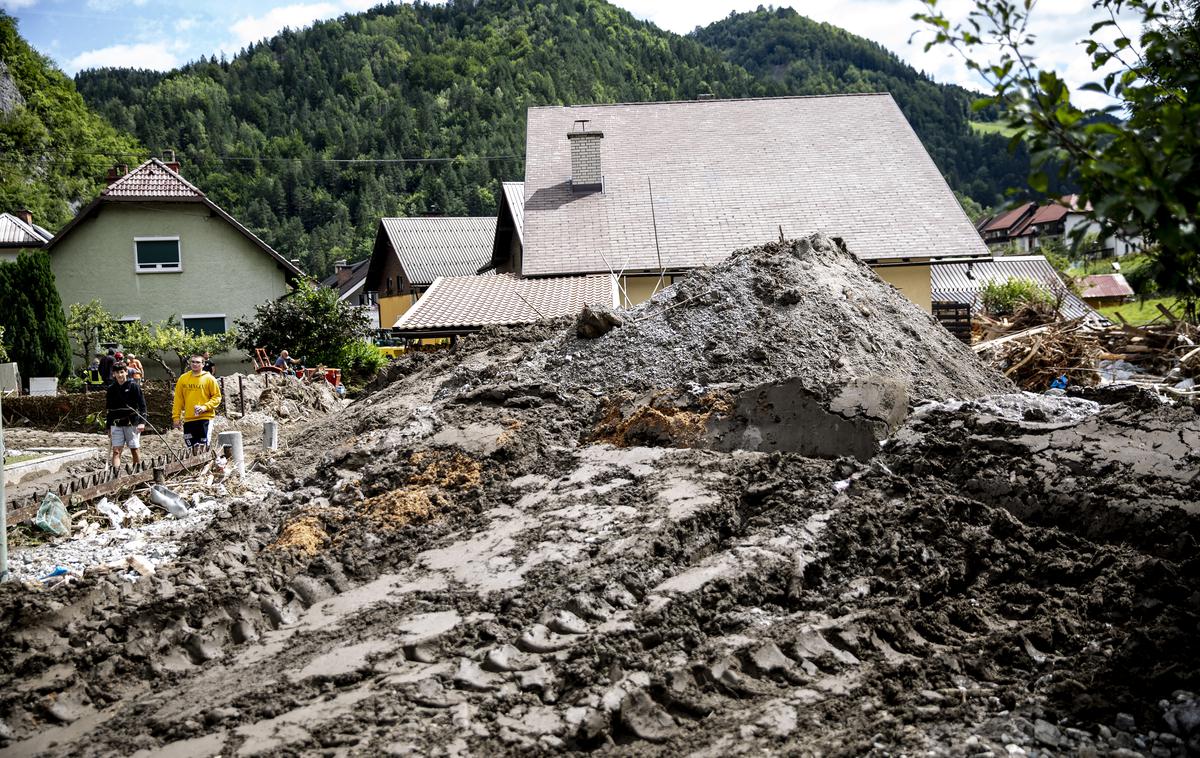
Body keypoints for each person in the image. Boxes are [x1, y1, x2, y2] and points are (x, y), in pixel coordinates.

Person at [172, 354, 222, 450]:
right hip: (189, 419)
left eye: (198, 362)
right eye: (193, 362)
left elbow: (217, 397)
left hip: (205, 418)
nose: (195, 364)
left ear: (203, 364)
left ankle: (206, 465)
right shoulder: (183, 378)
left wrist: (205, 407)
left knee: (203, 447)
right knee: (191, 448)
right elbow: (178, 399)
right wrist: (176, 417)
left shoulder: (209, 378)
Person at [106, 363, 146, 469]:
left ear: (126, 372)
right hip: (116, 423)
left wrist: (142, 422)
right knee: (116, 451)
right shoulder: (111, 389)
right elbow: (109, 410)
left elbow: (142, 406)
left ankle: (137, 472)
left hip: (132, 422)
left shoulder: (134, 386)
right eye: (117, 373)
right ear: (113, 374)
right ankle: (116, 475)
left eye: (121, 372)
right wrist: (108, 426)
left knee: (134, 449)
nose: (119, 375)